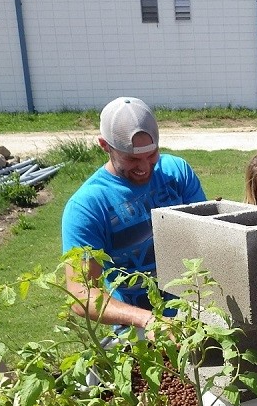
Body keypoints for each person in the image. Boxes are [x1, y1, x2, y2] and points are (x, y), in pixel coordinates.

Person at [61, 97, 206, 329]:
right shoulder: (87, 206)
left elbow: (206, 237)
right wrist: (147, 321)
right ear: (104, 145)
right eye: (132, 159)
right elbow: (81, 294)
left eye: (151, 155)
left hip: (195, 314)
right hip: (137, 331)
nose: (145, 167)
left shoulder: (177, 172)